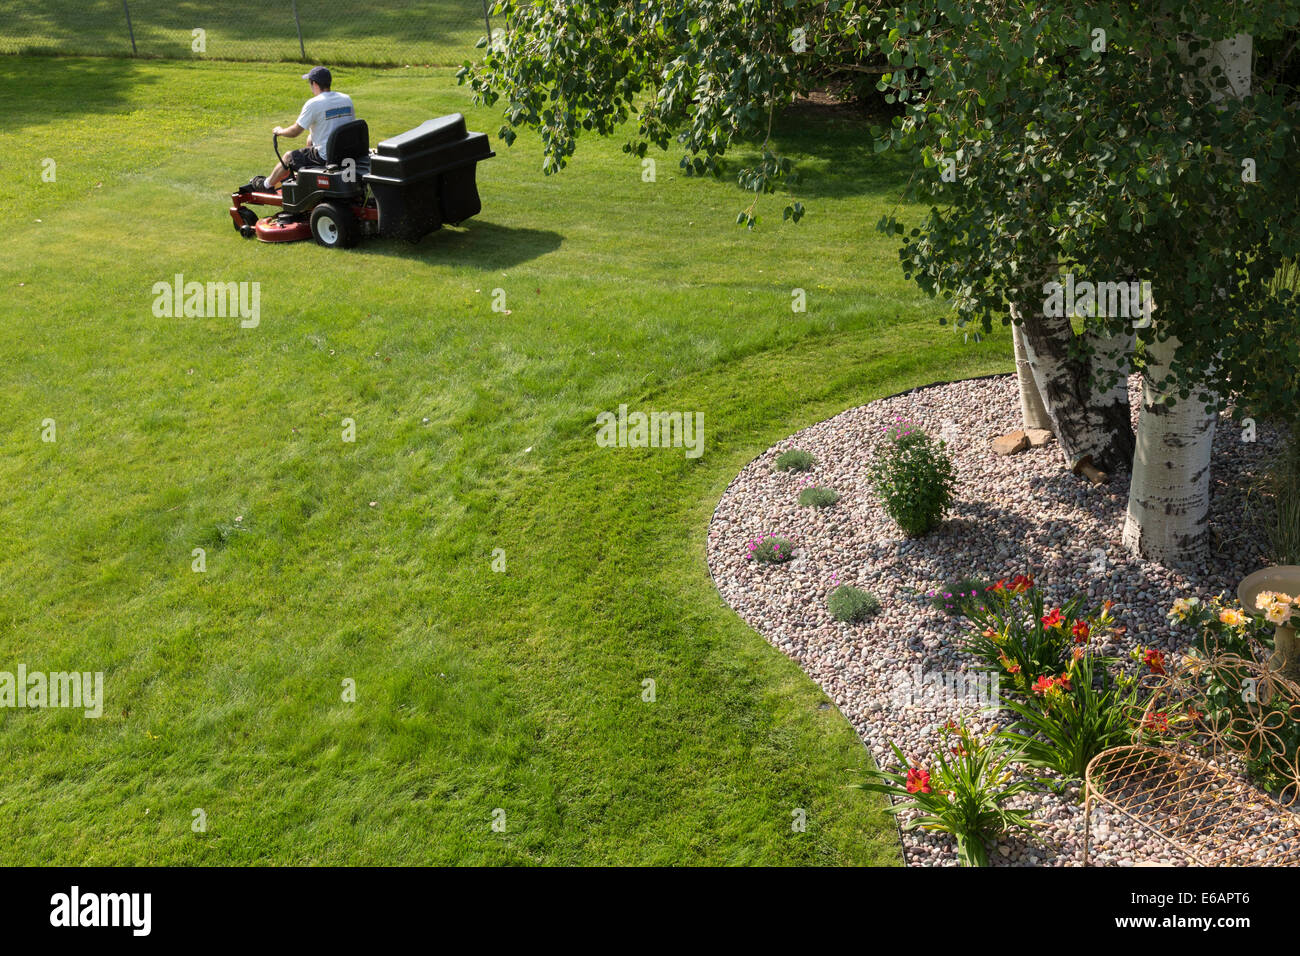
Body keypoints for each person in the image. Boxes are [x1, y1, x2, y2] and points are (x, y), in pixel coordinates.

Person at [242, 67, 355, 192]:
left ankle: (266, 185)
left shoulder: (314, 103)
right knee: (310, 139)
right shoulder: (346, 99)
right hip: (344, 152)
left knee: (289, 157)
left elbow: (295, 131)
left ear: (314, 84)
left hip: (326, 157)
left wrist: (280, 131)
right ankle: (307, 174)